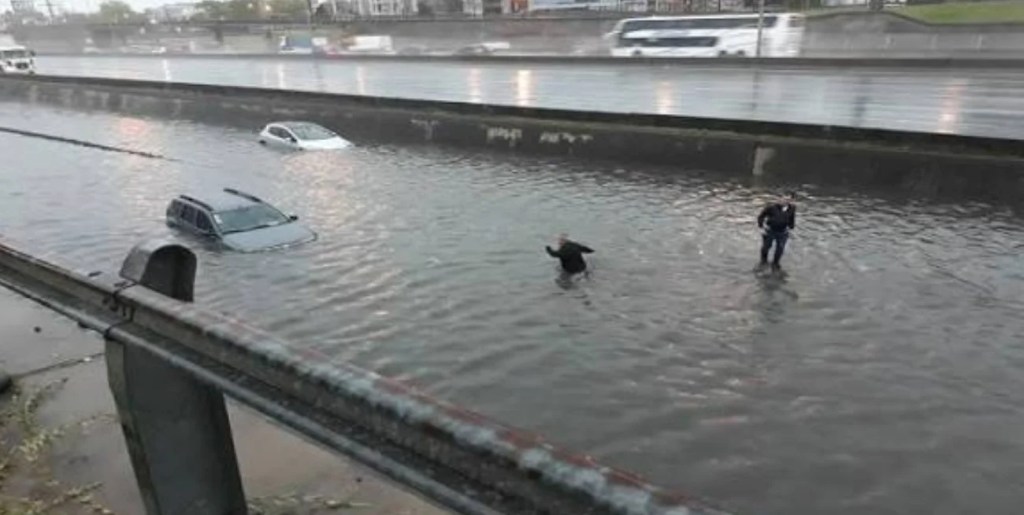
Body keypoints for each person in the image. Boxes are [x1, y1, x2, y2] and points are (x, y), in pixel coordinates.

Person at [757, 192, 796, 270]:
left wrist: (791, 228)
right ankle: (763, 262)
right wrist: (761, 227)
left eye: (788, 199)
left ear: (791, 200)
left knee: (780, 249)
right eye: (783, 199)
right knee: (766, 247)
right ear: (779, 199)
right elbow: (761, 216)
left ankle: (775, 264)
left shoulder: (792, 208)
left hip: (783, 232)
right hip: (770, 230)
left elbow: (791, 219)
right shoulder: (771, 207)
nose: (785, 201)